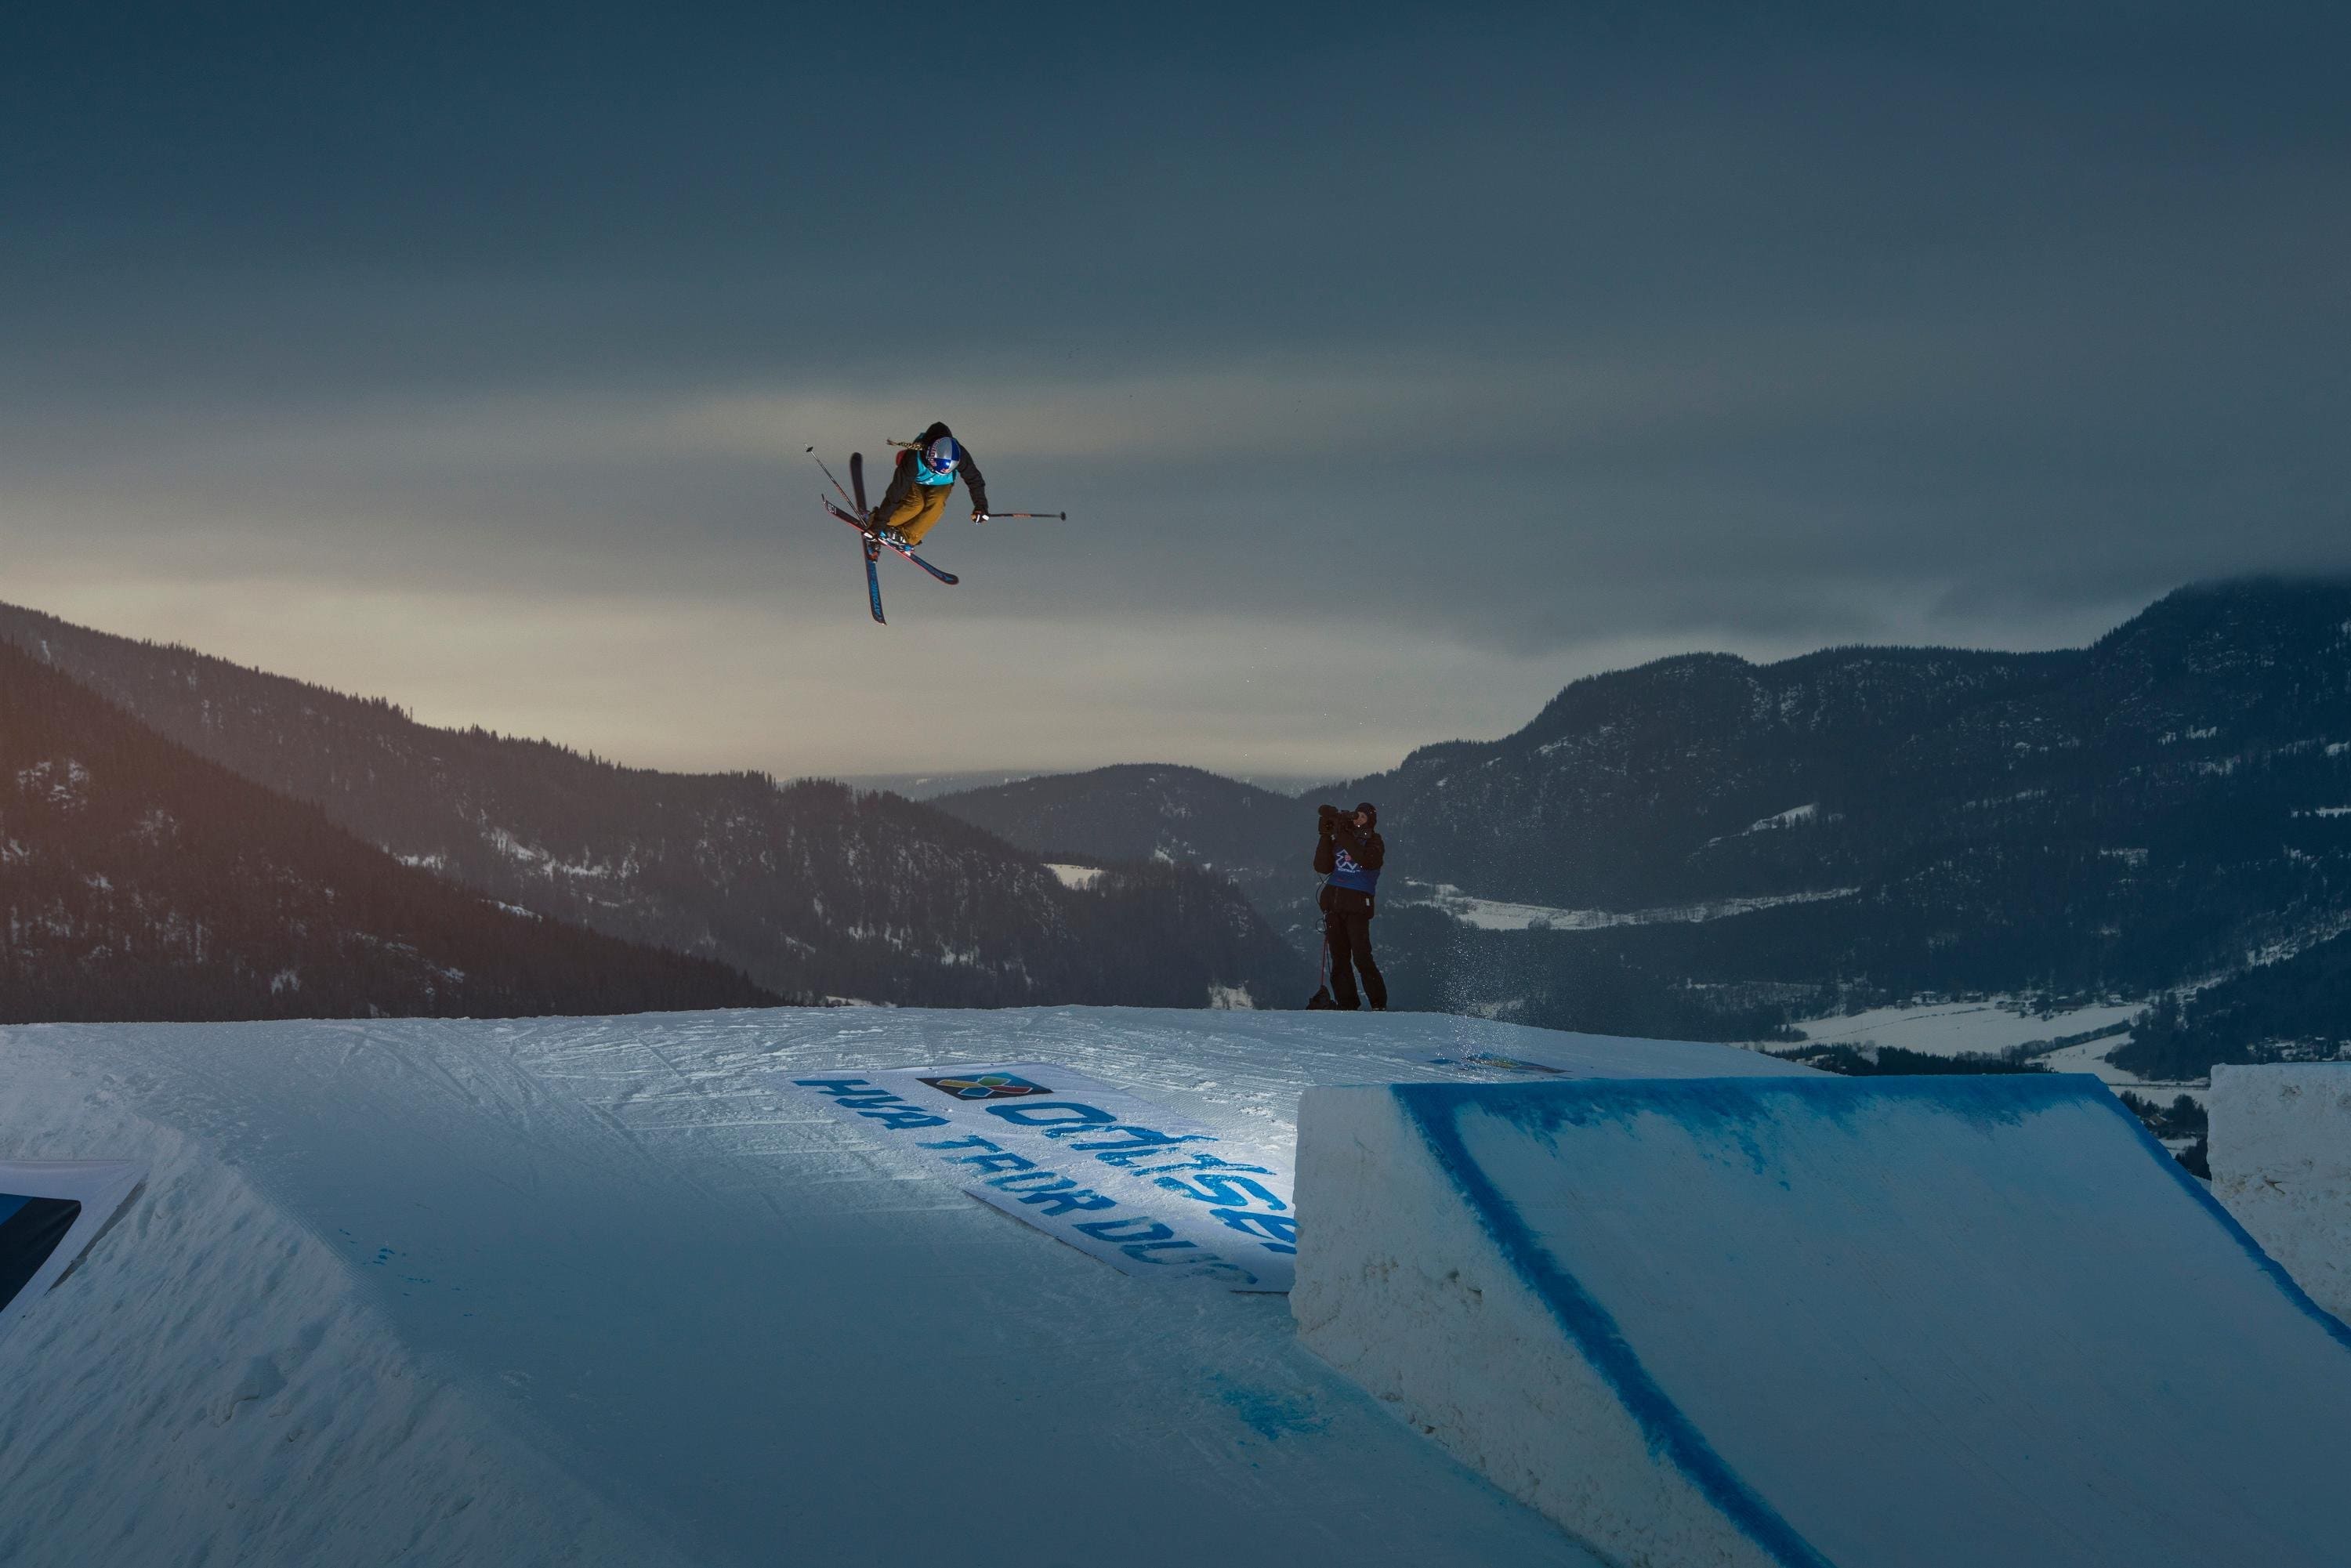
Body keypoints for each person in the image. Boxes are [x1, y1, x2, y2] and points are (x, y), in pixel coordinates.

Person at [867, 421, 991, 549]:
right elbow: (895, 493)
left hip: (942, 485)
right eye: (933, 469)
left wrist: (981, 507)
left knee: (937, 504)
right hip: (916, 481)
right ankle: (877, 522)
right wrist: (877, 526)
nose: (935, 473)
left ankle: (907, 536)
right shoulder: (913, 459)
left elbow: (975, 480)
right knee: (916, 504)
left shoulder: (960, 455)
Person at [1313, 801, 1388, 1011]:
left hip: (1357, 907)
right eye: (1356, 816)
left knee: (1362, 956)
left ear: (1371, 821)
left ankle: (1378, 1004)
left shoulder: (1375, 841)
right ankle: (1347, 1004)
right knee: (1339, 958)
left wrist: (1342, 836)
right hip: (1334, 905)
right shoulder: (1341, 839)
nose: (1358, 820)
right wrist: (1326, 837)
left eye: (1363, 817)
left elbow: (1367, 861)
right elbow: (1322, 866)